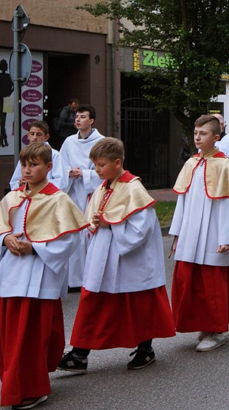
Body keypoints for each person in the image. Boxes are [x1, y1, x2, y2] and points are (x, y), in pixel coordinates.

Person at [58, 138, 174, 374]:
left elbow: (142, 229)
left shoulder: (134, 188)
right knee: (92, 302)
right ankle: (79, 354)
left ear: (117, 162)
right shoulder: (104, 186)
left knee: (139, 304)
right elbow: (94, 219)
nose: (96, 170)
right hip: (103, 255)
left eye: (100, 165)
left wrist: (109, 224)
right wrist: (96, 226)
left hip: (129, 260)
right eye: (95, 165)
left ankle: (145, 348)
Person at [0, 142, 87, 409]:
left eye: (35, 165)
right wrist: (6, 238)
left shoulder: (58, 199)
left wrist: (36, 248)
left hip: (38, 276)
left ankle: (32, 388)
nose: (28, 170)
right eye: (24, 165)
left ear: (49, 167)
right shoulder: (13, 197)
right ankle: (16, 382)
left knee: (28, 337)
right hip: (9, 274)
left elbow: (70, 239)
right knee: (1, 332)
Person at [169, 115, 229, 352]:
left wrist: (227, 238)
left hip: (214, 233)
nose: (197, 138)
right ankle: (202, 325)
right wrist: (177, 235)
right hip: (191, 233)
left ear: (216, 137)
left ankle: (217, 329)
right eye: (195, 133)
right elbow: (181, 202)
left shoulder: (224, 166)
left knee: (211, 283)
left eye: (203, 134)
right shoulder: (190, 163)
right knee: (189, 279)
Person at [58, 105, 105, 289]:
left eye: (82, 116)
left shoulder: (101, 142)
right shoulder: (69, 142)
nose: (77, 119)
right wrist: (69, 172)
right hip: (72, 192)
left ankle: (90, 277)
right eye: (76, 116)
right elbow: (60, 166)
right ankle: (73, 280)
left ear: (91, 121)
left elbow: (103, 171)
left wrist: (85, 173)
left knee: (88, 232)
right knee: (73, 232)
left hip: (90, 193)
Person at [9, 121, 63, 190]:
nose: (34, 137)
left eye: (39, 134)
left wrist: (34, 183)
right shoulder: (26, 153)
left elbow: (60, 182)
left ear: (46, 137)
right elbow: (14, 182)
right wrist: (20, 184)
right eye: (32, 134)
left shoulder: (54, 155)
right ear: (28, 135)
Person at [0, 59, 14, 148]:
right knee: (3, 121)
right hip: (7, 100)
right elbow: (13, 86)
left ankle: (2, 139)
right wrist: (8, 93)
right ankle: (3, 139)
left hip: (1, 100)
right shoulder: (8, 76)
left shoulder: (0, 75)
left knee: (3, 122)